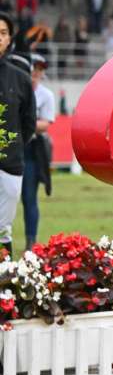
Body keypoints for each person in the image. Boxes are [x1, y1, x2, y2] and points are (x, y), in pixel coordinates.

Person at [0, 13, 36, 257]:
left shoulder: (21, 79)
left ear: (9, 39)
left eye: (2, 33)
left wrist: (11, 145)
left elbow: (28, 123)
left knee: (3, 228)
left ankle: (4, 283)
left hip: (10, 164)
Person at [19, 53, 54, 251]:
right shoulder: (14, 89)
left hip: (31, 149)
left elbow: (46, 124)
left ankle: (30, 241)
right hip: (11, 146)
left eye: (39, 71)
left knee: (29, 197)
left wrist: (23, 123)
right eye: (33, 71)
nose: (35, 75)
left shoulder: (45, 95)